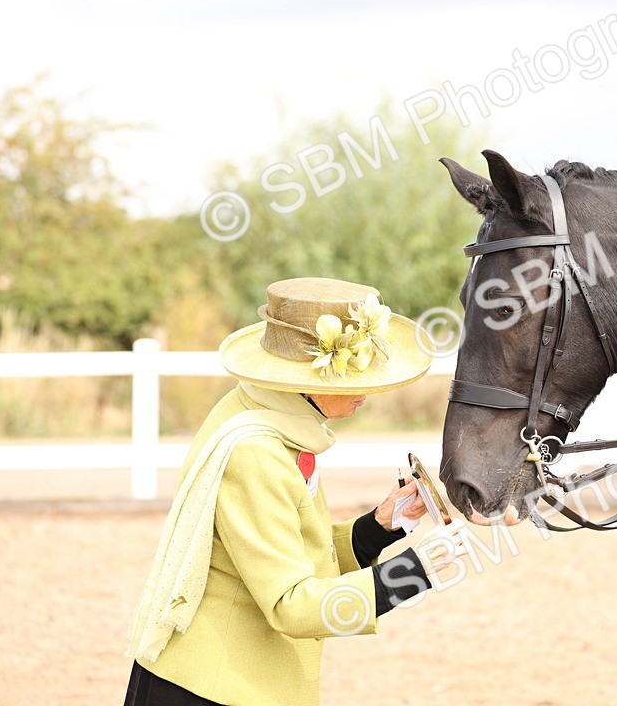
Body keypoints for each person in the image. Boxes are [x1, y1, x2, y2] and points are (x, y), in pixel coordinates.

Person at [125, 277, 471, 705]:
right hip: (213, 688)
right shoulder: (257, 451)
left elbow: (293, 549)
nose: (367, 391)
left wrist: (380, 526)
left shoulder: (264, 411)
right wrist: (414, 571)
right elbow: (291, 603)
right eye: (354, 376)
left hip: (228, 676)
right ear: (308, 379)